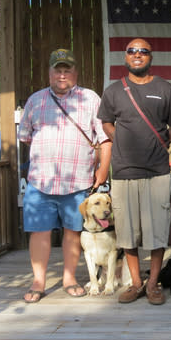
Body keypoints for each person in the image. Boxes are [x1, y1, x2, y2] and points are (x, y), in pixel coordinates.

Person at [98, 38, 171, 305]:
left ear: (150, 57)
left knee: (158, 231)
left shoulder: (165, 89)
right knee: (127, 232)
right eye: (132, 51)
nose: (137, 55)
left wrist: (156, 145)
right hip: (123, 173)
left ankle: (152, 284)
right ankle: (135, 283)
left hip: (157, 171)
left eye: (143, 51)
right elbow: (106, 124)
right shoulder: (113, 91)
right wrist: (125, 144)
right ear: (125, 58)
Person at [19, 48, 112, 303]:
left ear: (76, 72)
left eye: (67, 69)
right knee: (39, 232)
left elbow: (104, 138)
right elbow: (26, 136)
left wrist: (102, 171)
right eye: (57, 70)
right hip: (40, 182)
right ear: (49, 72)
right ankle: (38, 282)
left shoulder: (90, 99)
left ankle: (69, 278)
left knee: (73, 231)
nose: (62, 75)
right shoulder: (35, 100)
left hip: (77, 181)